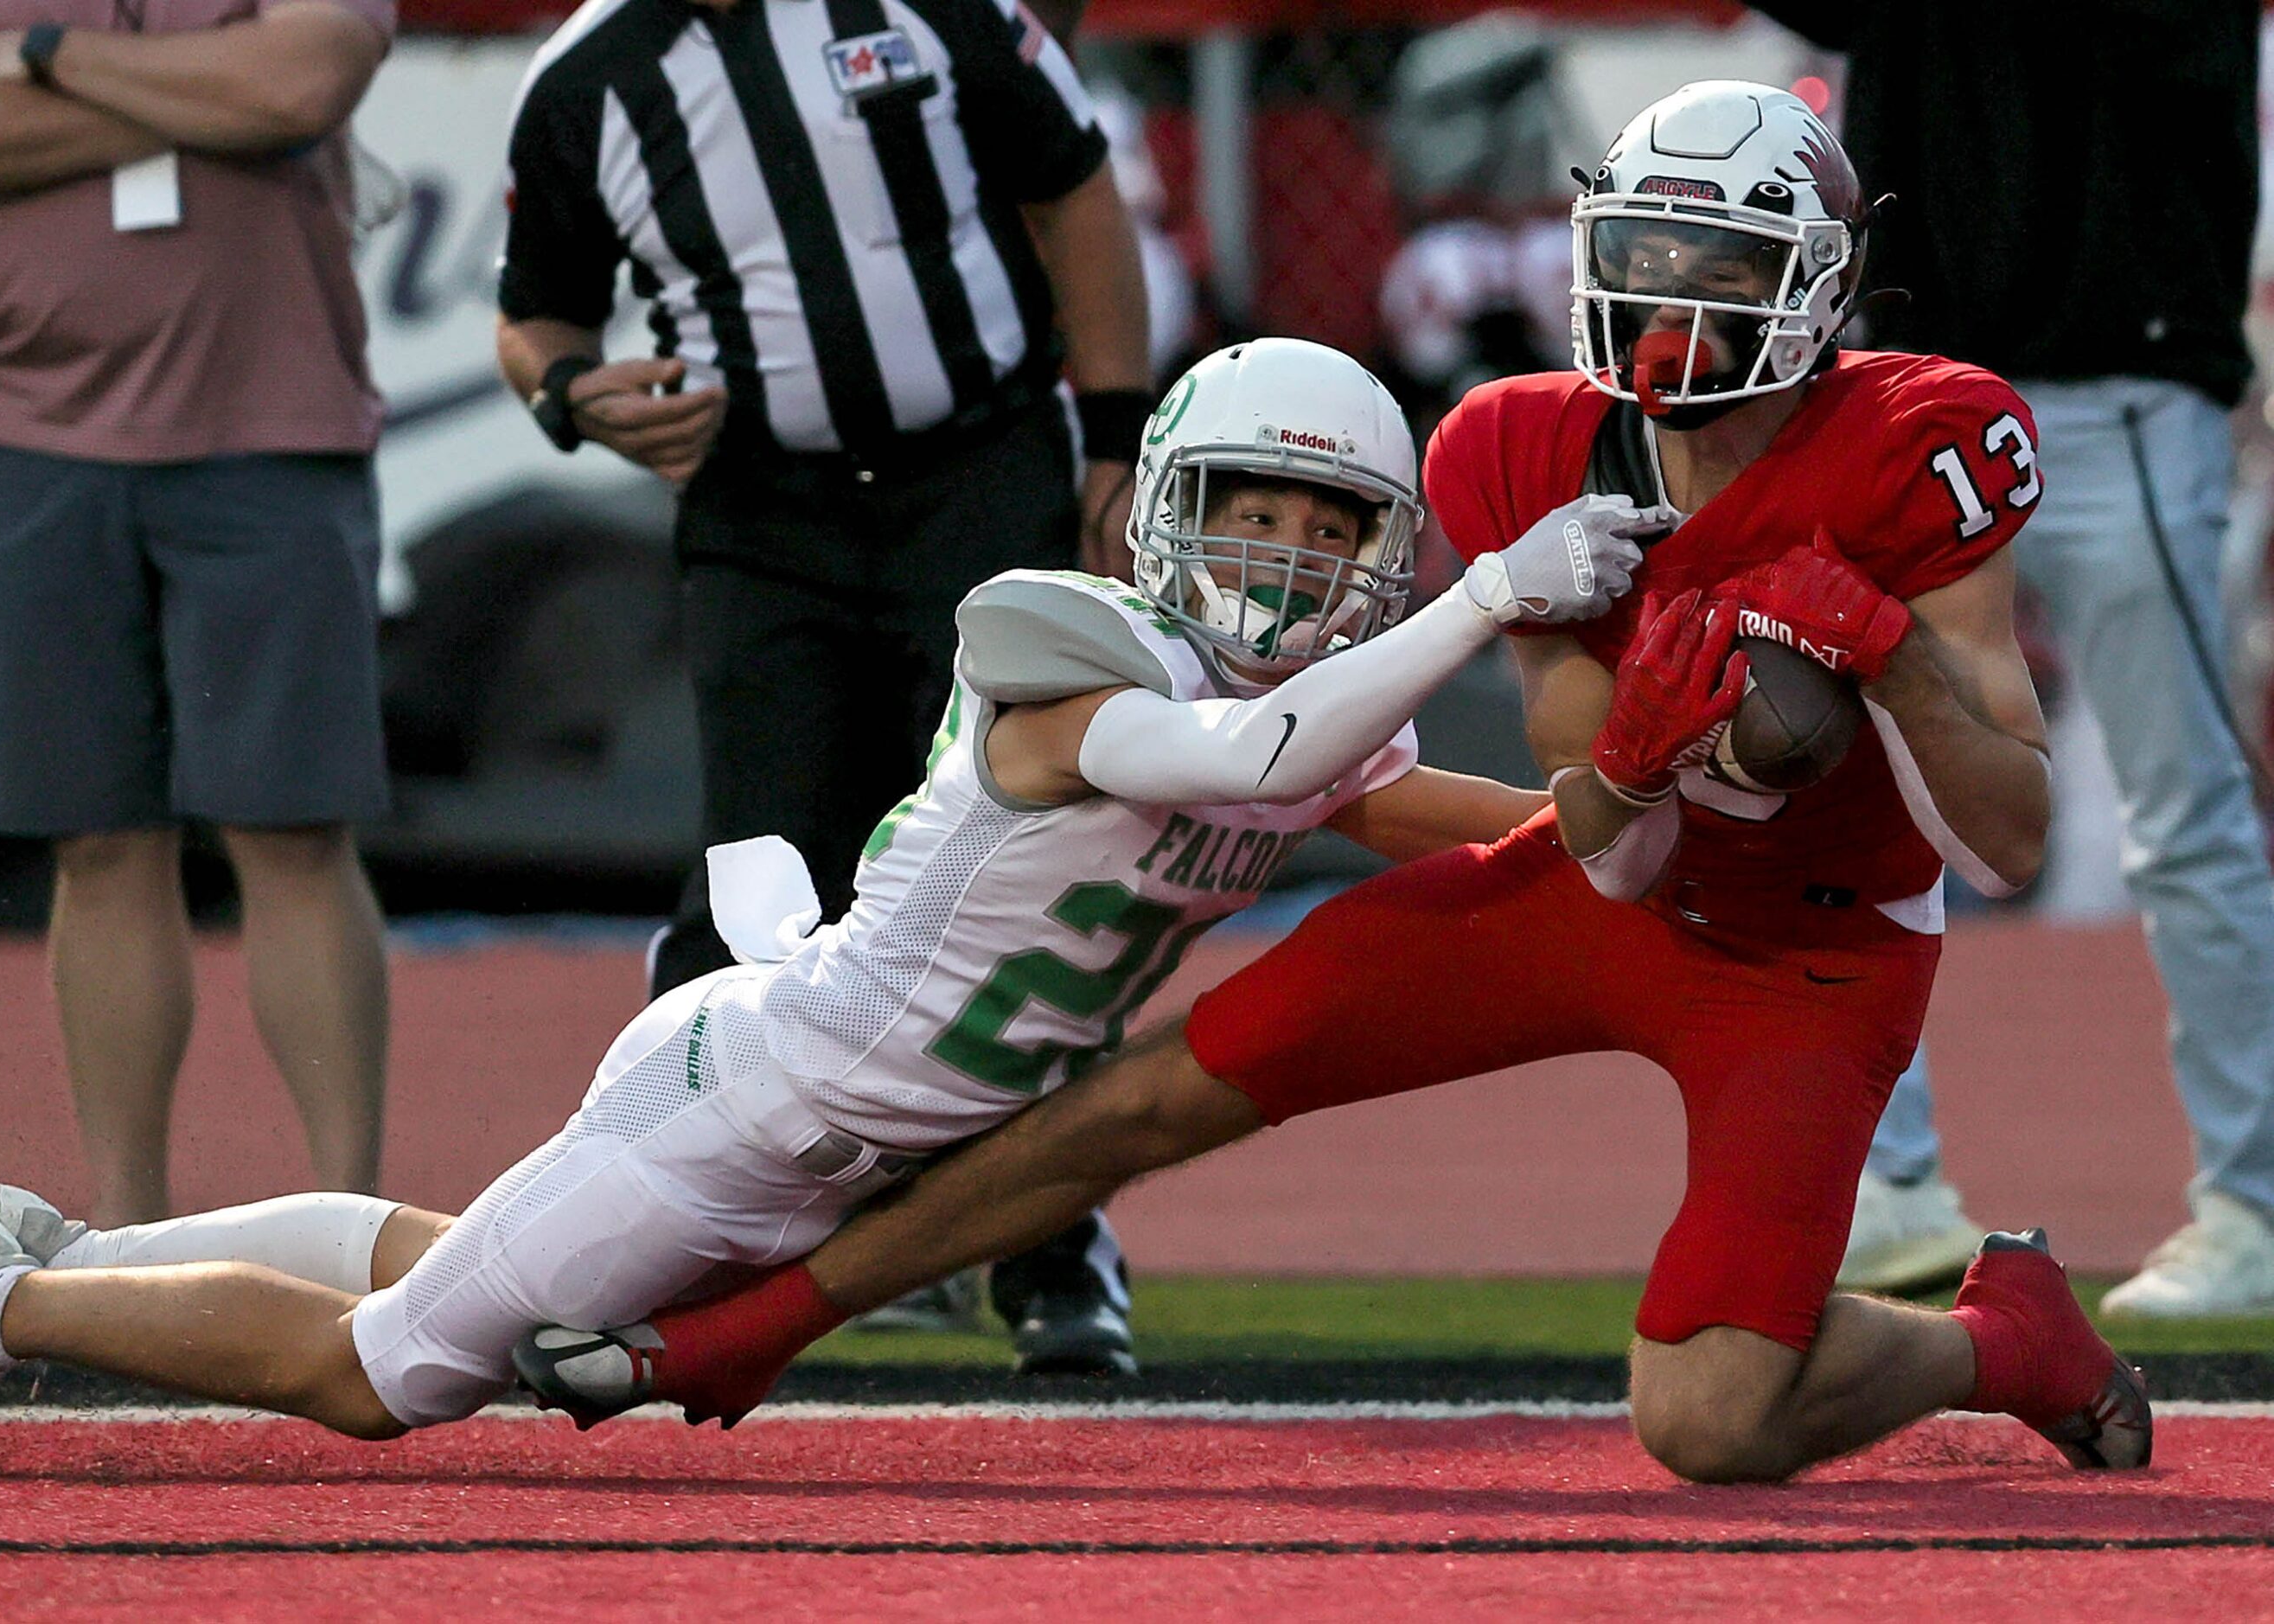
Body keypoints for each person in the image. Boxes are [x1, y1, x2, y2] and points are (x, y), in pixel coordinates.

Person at [509, 84, 2154, 1486]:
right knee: (1160, 1089)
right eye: (1640, 261)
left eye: (1718, 270)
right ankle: (741, 1336)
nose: (1670, 311)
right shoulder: (1519, 441)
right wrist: (1648, 744)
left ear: (1818, 283)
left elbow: (2003, 834)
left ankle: (1994, 1339)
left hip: (1817, 947)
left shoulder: (1925, 436)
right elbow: (1605, 840)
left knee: (1710, 1418)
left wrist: (1878, 648)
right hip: (1603, 883)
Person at [0, 338, 1646, 1473]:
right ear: (1159, 508)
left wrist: (1663, 808)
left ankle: (80, 1252)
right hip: (755, 1102)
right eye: (1254, 509)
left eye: (1329, 534)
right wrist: (1486, 601)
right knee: (389, 1381)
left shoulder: (1294, 720)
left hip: (804, 1112)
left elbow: (1499, 827)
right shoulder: (1066, 644)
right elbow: (1244, 771)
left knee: (461, 1263)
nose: (1284, 556)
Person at [494, 0, 1157, 1371]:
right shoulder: (587, 80)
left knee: (1026, 860)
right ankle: (671, 1240)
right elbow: (534, 315)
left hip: (978, 475)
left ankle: (1047, 1240)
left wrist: (1108, 435)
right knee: (761, 879)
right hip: (762, 515)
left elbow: (1072, 190)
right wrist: (576, 392)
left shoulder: (932, 9)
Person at [1757, 2, 2274, 1315]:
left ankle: (2256, 1204)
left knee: (2186, 812)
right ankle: (1877, 1187)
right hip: (1914, 376)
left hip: (2122, 378)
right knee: (1833, 788)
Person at [0, 0, 398, 1225]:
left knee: (296, 833)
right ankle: (126, 1239)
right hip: (29, 434)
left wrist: (56, 64)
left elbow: (297, 89)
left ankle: (347, 1229)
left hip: (275, 420)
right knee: (96, 843)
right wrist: (197, 98)